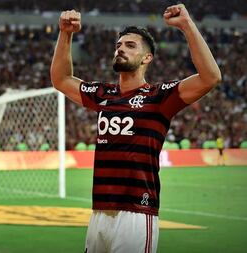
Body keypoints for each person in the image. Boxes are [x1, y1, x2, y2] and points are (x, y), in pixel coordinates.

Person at [50, 4, 221, 253]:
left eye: (130, 45)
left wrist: (186, 25)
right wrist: (65, 34)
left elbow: (210, 77)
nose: (120, 48)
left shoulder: (160, 97)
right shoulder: (102, 94)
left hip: (136, 215)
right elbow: (61, 80)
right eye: (119, 45)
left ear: (147, 58)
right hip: (99, 213)